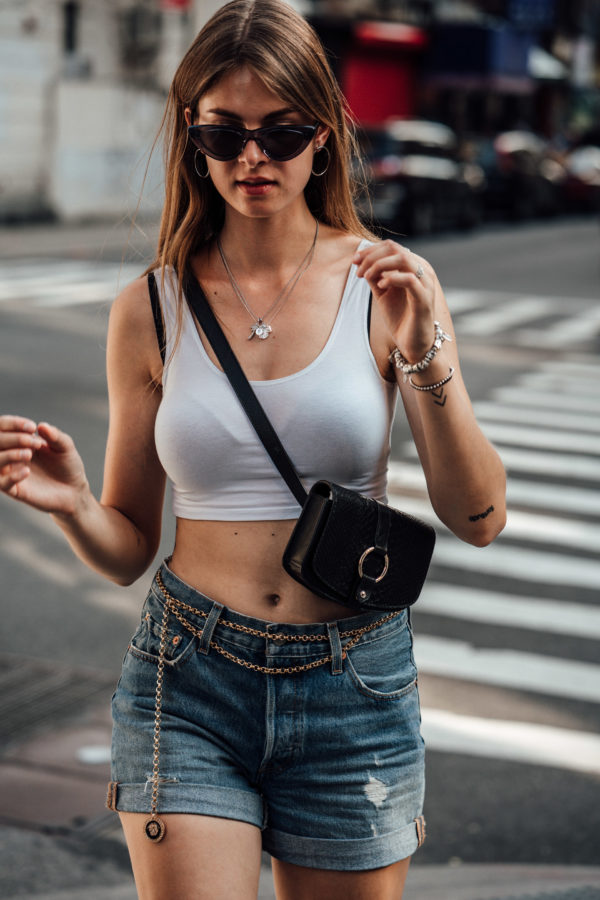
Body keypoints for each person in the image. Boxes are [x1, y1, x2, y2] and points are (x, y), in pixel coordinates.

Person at [0, 1, 506, 897]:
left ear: (327, 134)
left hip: (353, 682)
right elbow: (126, 550)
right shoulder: (148, 309)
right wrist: (76, 505)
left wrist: (426, 350)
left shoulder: (384, 287)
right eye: (222, 133)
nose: (253, 158)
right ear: (191, 135)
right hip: (187, 676)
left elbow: (479, 516)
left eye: (282, 132)